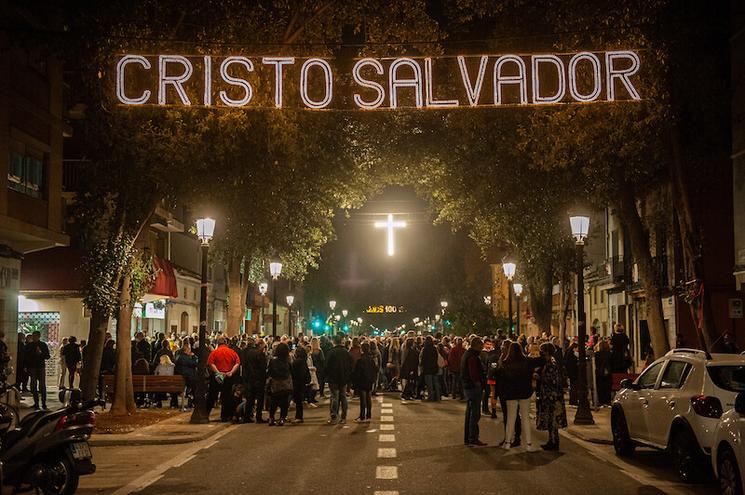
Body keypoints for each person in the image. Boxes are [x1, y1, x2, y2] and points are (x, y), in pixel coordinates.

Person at [501, 342, 543, 452]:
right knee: (525, 419)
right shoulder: (527, 361)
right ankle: (529, 444)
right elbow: (541, 360)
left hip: (511, 393)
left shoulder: (506, 362)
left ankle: (507, 443)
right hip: (524, 392)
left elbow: (502, 377)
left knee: (511, 418)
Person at [536, 342, 567, 451]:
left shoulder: (551, 364)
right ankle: (551, 440)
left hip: (552, 396)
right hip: (549, 395)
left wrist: (539, 377)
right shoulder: (549, 362)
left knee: (553, 420)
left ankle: (554, 441)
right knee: (550, 420)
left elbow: (552, 381)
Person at [206, 336, 241, 422]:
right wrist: (231, 372)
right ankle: (225, 416)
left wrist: (218, 372)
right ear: (226, 343)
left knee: (212, 395)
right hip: (228, 375)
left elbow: (210, 363)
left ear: (218, 343)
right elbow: (237, 363)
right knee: (227, 396)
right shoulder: (232, 352)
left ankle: (206, 414)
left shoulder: (214, 352)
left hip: (218, 376)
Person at [461, 337, 486, 447]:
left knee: (470, 412)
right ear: (477, 345)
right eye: (481, 345)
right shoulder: (473, 356)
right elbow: (473, 372)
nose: (482, 348)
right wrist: (478, 383)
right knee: (474, 414)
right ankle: (473, 437)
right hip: (472, 387)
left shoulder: (468, 354)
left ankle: (469, 437)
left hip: (468, 386)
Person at [325, 334, 353, 425]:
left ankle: (334, 416)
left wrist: (327, 376)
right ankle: (343, 417)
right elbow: (350, 365)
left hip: (333, 378)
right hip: (343, 378)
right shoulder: (346, 352)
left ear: (334, 342)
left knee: (334, 397)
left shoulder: (331, 352)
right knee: (343, 397)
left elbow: (327, 366)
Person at [267, 342, 293, 426]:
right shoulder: (288, 361)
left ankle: (271, 418)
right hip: (285, 383)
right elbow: (291, 371)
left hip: (275, 384)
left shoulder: (272, 361)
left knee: (274, 401)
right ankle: (282, 418)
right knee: (284, 402)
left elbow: (269, 372)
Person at [243, 339, 268, 423]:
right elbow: (263, 368)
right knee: (260, 399)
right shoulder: (260, 354)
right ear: (260, 345)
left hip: (250, 378)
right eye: (264, 346)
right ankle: (258, 417)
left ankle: (247, 416)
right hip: (259, 379)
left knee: (250, 398)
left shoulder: (249, 352)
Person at [24, 331, 50, 409]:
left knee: (42, 385)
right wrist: (26, 366)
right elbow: (26, 357)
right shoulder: (29, 345)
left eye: (35, 336)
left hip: (40, 367)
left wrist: (40, 353)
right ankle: (36, 403)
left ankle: (44, 403)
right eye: (33, 336)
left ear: (39, 336)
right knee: (33, 385)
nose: (34, 337)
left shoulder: (43, 345)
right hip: (32, 367)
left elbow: (47, 356)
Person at [353, 342, 377, 422]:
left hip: (362, 381)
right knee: (368, 398)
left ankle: (362, 416)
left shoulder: (360, 360)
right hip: (369, 381)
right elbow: (375, 370)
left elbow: (357, 373)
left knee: (363, 400)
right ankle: (368, 415)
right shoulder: (371, 359)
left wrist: (355, 383)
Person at [174, 341, 197, 409]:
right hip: (188, 378)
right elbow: (195, 364)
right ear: (186, 350)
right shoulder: (185, 357)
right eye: (189, 349)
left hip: (181, 378)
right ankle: (192, 400)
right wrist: (193, 356)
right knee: (197, 385)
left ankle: (190, 397)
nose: (190, 350)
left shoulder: (178, 356)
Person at [291, 346, 311, 423]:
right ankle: (299, 416)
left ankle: (299, 417)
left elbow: (293, 372)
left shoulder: (296, 362)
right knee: (299, 401)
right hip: (302, 383)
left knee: (298, 401)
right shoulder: (303, 361)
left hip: (296, 382)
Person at [419, 336, 441, 402]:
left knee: (429, 384)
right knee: (436, 383)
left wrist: (421, 365)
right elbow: (436, 357)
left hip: (427, 368)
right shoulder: (434, 348)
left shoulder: (425, 349)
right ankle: (438, 397)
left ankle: (430, 397)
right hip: (434, 367)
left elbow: (423, 359)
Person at [594, 340, 613, 406]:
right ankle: (607, 401)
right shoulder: (610, 354)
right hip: (608, 372)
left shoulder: (597, 354)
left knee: (600, 387)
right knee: (607, 387)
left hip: (599, 373)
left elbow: (596, 364)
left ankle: (601, 401)